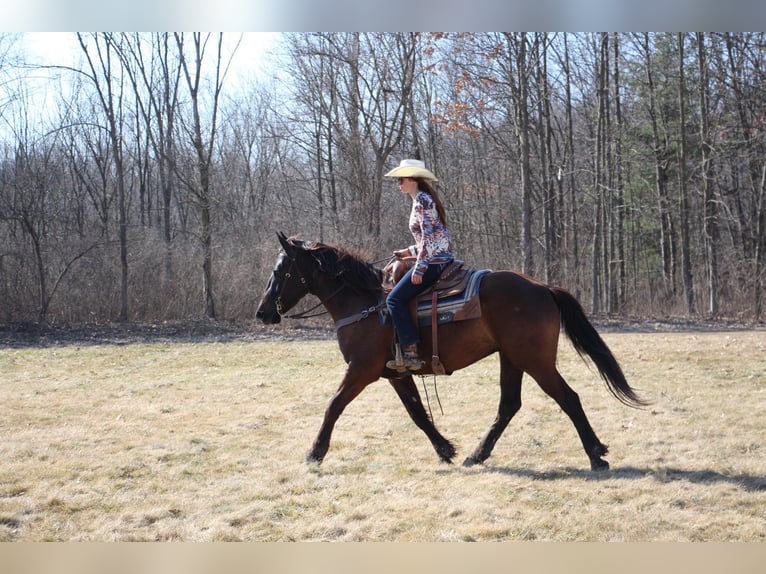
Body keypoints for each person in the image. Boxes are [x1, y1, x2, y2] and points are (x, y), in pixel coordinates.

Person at [384, 159, 454, 371]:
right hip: (436, 257)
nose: (398, 184)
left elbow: (429, 238)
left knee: (394, 299)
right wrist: (408, 252)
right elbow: (429, 239)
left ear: (412, 179)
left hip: (434, 262)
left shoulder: (422, 200)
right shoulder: (420, 200)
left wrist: (420, 267)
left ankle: (411, 351)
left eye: (401, 180)